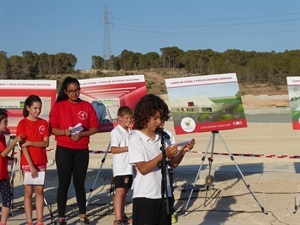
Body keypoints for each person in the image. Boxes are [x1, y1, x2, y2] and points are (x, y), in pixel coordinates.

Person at [128, 94, 195, 225]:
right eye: (155, 118)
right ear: (145, 116)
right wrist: (163, 154)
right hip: (145, 196)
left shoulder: (166, 136)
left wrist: (183, 151)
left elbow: (172, 165)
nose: (159, 122)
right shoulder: (135, 138)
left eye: (161, 118)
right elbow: (143, 168)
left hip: (165, 196)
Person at [49, 76, 99, 225]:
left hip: (81, 149)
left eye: (76, 90)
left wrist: (82, 134)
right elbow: (52, 129)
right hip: (64, 149)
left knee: (79, 183)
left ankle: (83, 215)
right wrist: (65, 132)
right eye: (71, 91)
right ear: (65, 91)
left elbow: (95, 127)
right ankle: (61, 217)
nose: (74, 94)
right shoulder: (59, 106)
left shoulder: (87, 106)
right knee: (63, 183)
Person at [16, 95, 50, 225]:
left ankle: (40, 220)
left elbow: (45, 143)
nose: (38, 111)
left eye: (39, 108)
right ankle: (30, 221)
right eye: (35, 108)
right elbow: (23, 146)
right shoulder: (22, 123)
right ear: (28, 108)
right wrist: (31, 165)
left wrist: (31, 142)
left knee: (40, 190)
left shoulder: (43, 123)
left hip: (41, 161)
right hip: (27, 162)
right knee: (28, 191)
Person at [110, 106, 134, 225]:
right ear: (120, 118)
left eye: (130, 117)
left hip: (130, 167)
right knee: (119, 191)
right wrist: (129, 148)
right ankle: (117, 218)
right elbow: (113, 149)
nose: (129, 120)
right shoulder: (116, 132)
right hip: (121, 167)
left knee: (125, 190)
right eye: (126, 118)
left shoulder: (131, 132)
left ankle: (122, 214)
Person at [0, 109, 21, 225]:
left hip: (3, 175)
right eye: (5, 122)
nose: (7, 124)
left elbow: (3, 155)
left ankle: (3, 223)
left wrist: (11, 159)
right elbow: (2, 153)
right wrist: (14, 142)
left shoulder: (2, 137)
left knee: (7, 199)